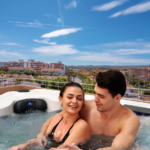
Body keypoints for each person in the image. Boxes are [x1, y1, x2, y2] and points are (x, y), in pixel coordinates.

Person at [40, 70, 140, 150]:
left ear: (117, 98)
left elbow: (116, 148)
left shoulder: (129, 121)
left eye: (101, 96)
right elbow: (57, 117)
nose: (95, 99)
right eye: (95, 93)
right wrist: (41, 134)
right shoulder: (86, 107)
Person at [9, 82, 91, 150]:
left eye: (79, 99)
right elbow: (41, 137)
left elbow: (64, 148)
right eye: (70, 97)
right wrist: (23, 146)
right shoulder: (55, 118)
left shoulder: (82, 126)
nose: (74, 101)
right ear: (60, 99)